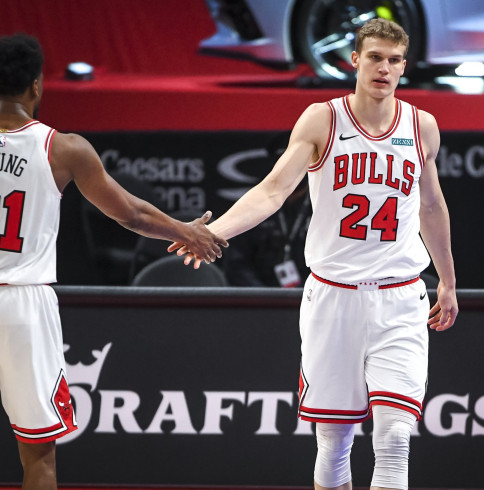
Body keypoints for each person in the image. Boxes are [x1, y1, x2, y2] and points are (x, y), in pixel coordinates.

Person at [172, 18, 458, 490]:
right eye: (375, 58)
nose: (384, 68)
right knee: (334, 442)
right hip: (334, 295)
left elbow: (431, 205)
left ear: (404, 66)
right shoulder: (323, 118)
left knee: (393, 439)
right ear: (355, 61)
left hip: (400, 295)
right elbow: (271, 192)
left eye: (393, 60)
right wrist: (214, 233)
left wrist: (447, 281)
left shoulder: (421, 126)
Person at [0, 33, 227, 489]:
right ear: (37, 87)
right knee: (38, 457)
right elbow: (132, 214)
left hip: (23, 302)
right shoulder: (62, 149)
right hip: (21, 307)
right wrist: (188, 233)